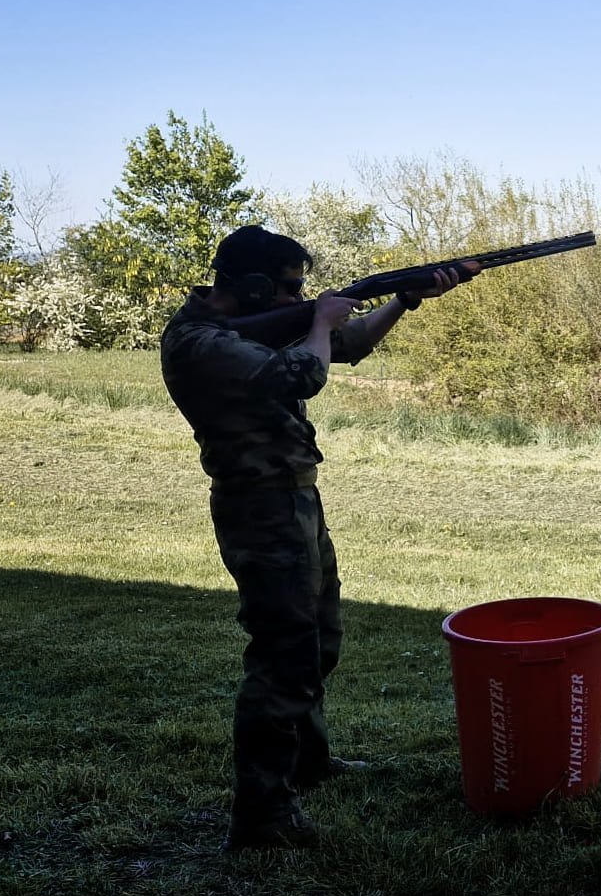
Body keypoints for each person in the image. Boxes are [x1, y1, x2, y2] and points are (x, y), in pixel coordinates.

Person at [160, 226, 470, 851]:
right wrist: (321, 320)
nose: (299, 298)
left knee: (319, 639)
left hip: (294, 495)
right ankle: (262, 816)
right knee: (284, 656)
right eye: (290, 290)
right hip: (261, 506)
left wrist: (402, 299)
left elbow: (346, 345)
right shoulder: (198, 341)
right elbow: (304, 372)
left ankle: (308, 763)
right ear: (252, 287)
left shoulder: (247, 323)